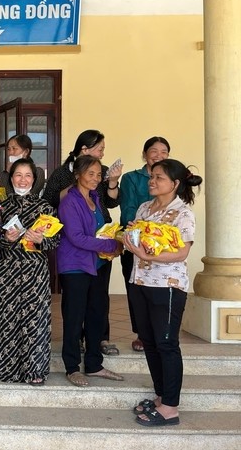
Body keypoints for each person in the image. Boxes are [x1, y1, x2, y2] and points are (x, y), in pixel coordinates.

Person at [124, 159, 201, 427]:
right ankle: (161, 396)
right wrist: (129, 237)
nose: (152, 181)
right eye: (151, 177)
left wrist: (147, 254)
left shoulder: (183, 213)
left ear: (175, 184)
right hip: (140, 282)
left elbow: (182, 252)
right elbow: (138, 241)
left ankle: (170, 407)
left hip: (167, 286)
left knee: (167, 344)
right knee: (149, 340)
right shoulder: (145, 208)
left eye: (158, 178)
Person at [42, 129, 122, 356]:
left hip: (100, 248)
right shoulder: (62, 176)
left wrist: (112, 183)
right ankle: (74, 346)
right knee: (76, 304)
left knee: (98, 300)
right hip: (77, 253)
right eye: (99, 149)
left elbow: (111, 202)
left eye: (104, 149)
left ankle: (99, 340)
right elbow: (49, 203)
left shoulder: (100, 180)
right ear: (83, 150)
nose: (102, 154)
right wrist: (73, 190)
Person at [57, 155, 124, 387]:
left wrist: (115, 238)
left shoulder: (96, 197)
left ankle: (94, 365)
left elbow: (99, 229)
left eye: (98, 174)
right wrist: (109, 245)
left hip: (98, 265)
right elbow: (76, 237)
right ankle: (72, 367)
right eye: (90, 174)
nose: (95, 179)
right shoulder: (69, 201)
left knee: (96, 315)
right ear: (78, 175)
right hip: (75, 266)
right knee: (75, 317)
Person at [0, 158, 60, 385]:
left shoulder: (45, 208)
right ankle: (9, 370)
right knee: (7, 319)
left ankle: (35, 371)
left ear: (35, 179)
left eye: (27, 175)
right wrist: (5, 239)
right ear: (11, 179)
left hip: (35, 271)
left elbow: (56, 240)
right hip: (7, 270)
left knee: (35, 319)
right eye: (18, 175)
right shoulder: (1, 207)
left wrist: (42, 240)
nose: (23, 179)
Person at [119, 136, 171, 353]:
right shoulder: (131, 178)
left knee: (162, 290)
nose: (158, 155)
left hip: (164, 244)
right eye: (154, 151)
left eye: (164, 152)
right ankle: (141, 333)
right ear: (144, 154)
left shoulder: (173, 178)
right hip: (136, 241)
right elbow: (128, 210)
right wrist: (143, 234)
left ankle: (162, 333)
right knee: (137, 290)